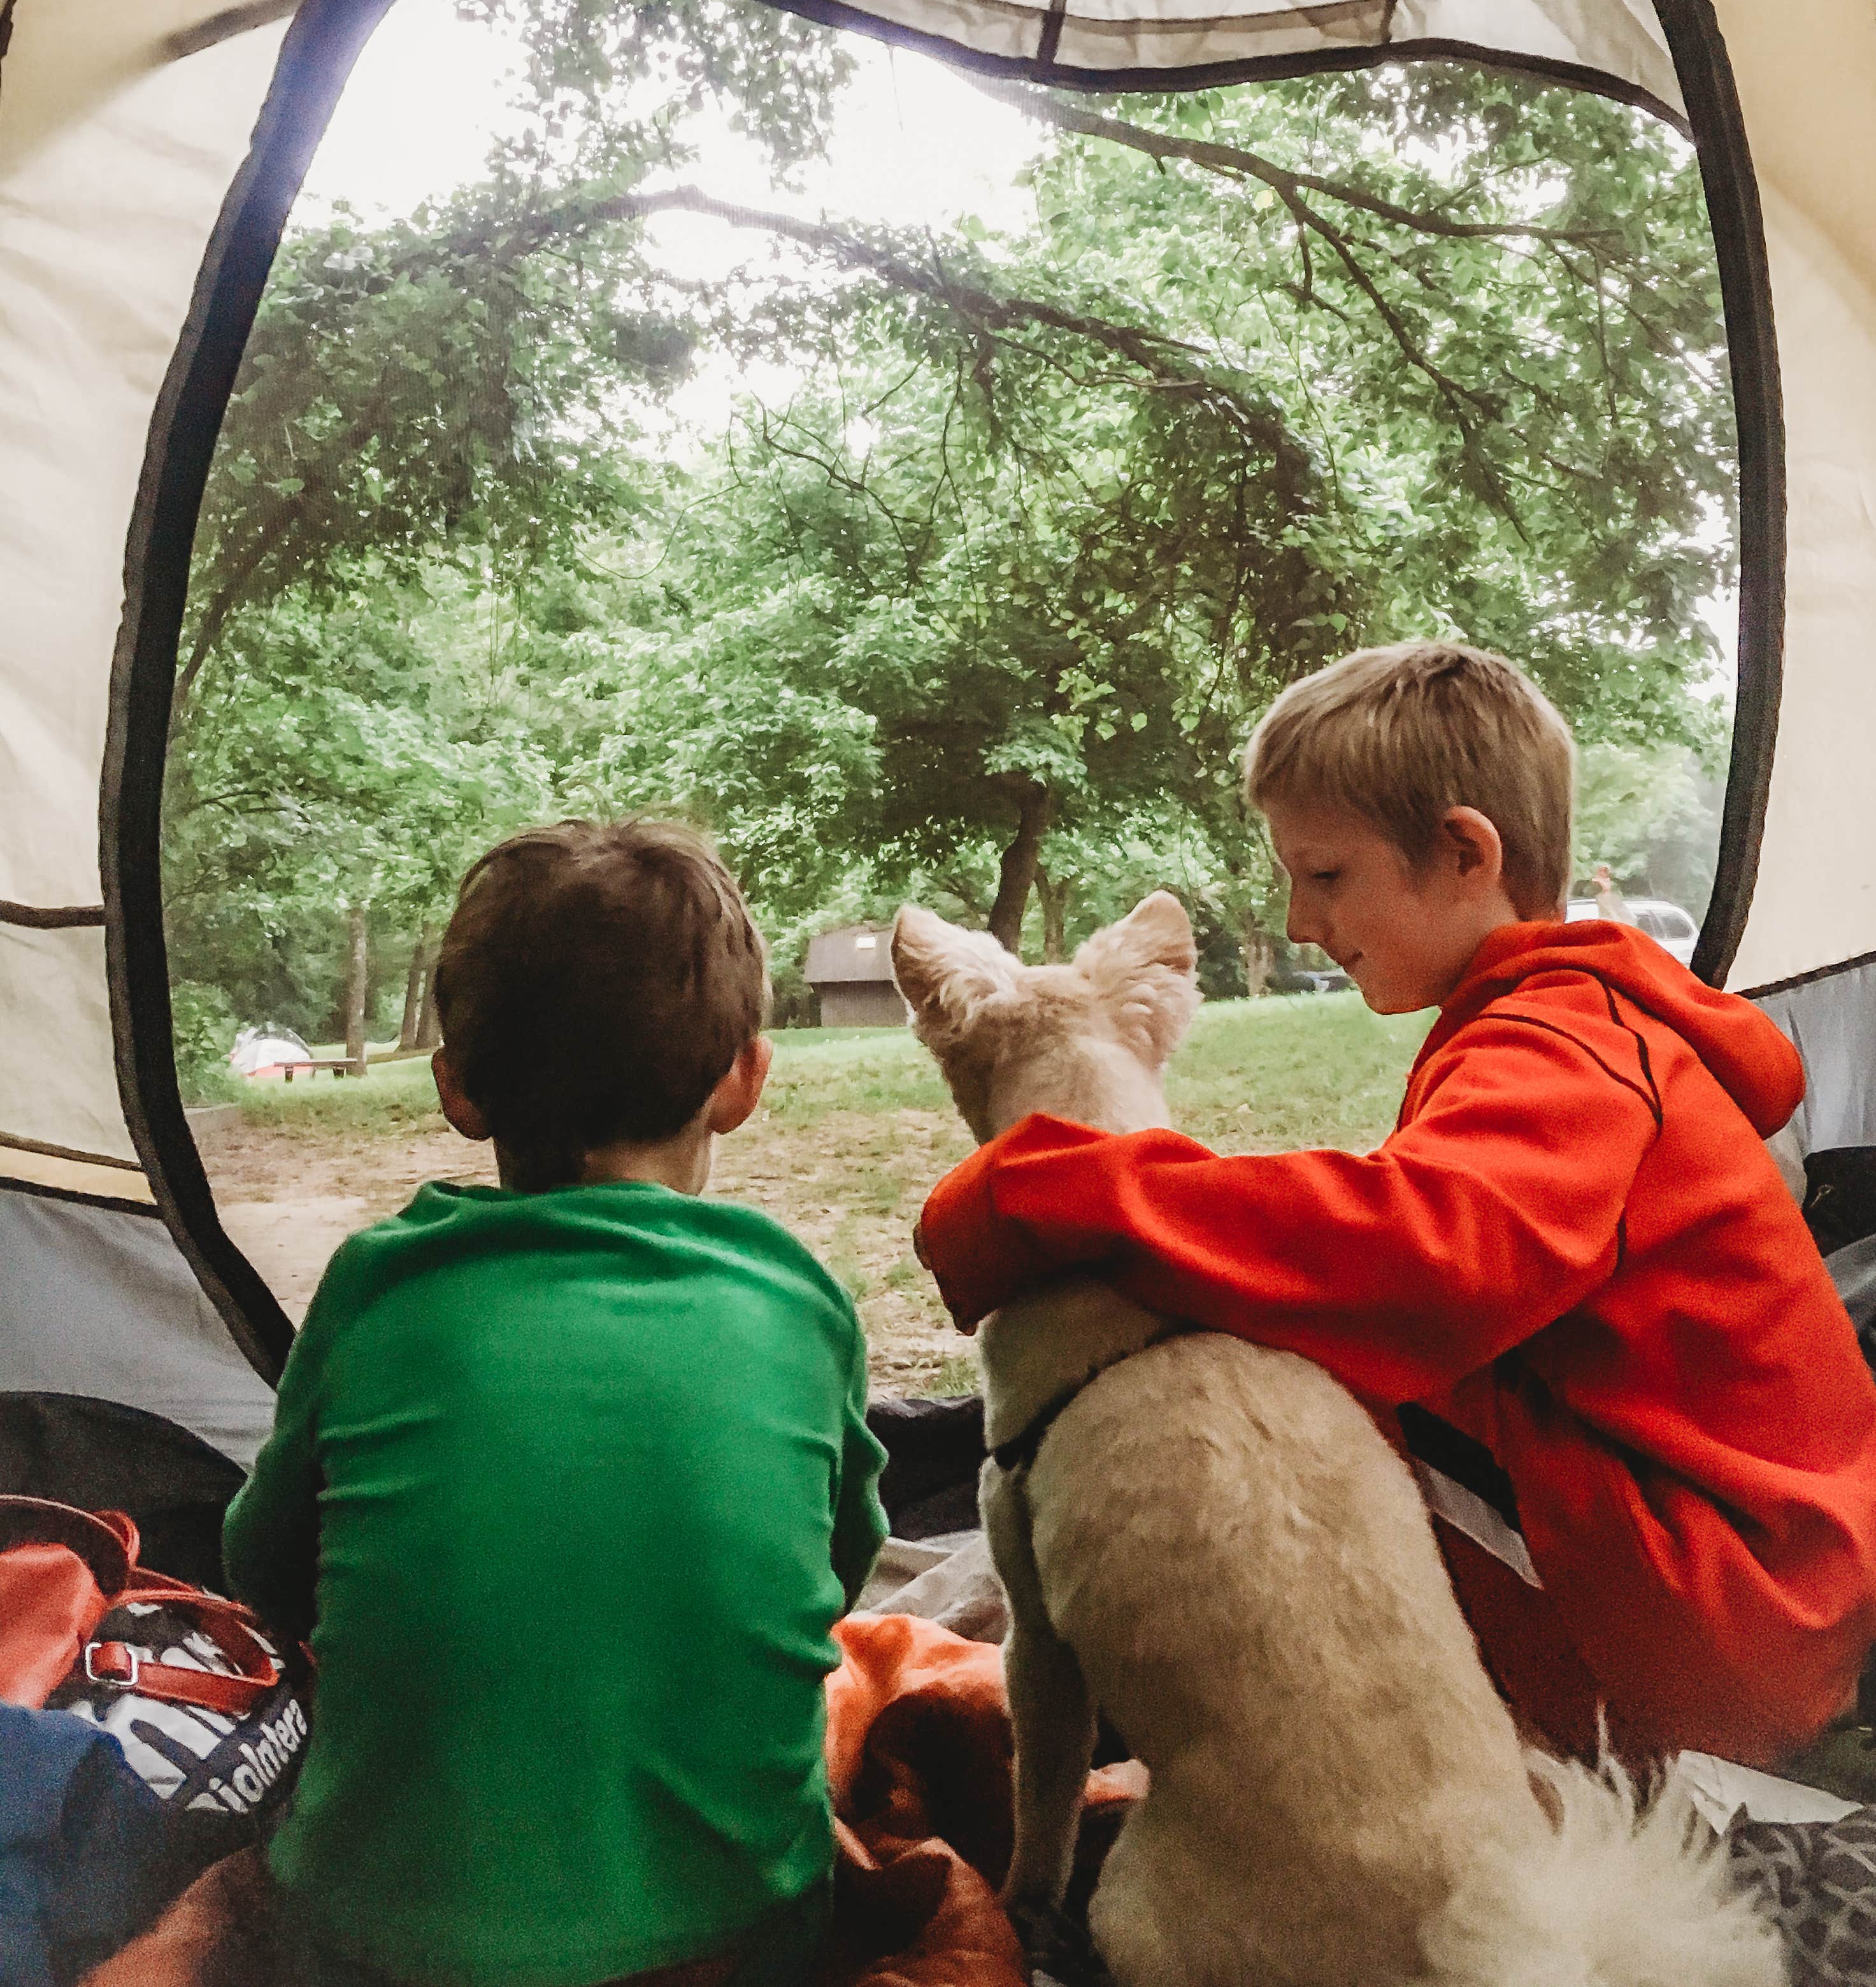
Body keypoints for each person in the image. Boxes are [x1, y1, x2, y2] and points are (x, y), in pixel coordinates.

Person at [917, 642, 1876, 1772]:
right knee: (1287, 1332)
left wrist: (1049, 1192)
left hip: (1707, 1627)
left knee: (1285, 1403)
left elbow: (1414, 1252)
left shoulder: (1566, 1045)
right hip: (1744, 1589)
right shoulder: (1561, 1023)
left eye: (1324, 876)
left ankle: (1189, 1709)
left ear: (1466, 853)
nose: (1296, 919)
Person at [224, 819, 887, 1987]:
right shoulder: (799, 1300)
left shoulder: (381, 1284)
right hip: (731, 1945)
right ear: (743, 1077)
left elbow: (264, 1572)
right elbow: (834, 1571)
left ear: (457, 1089)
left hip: (371, 1946)